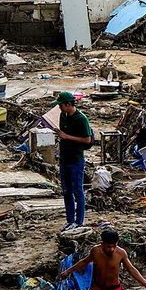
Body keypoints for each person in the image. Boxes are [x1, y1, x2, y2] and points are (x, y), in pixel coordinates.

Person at [52, 91, 95, 228]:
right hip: (64, 157)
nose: (60, 108)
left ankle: (79, 221)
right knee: (66, 190)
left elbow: (87, 139)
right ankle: (70, 220)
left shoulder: (81, 119)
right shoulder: (63, 116)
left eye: (61, 105)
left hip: (76, 158)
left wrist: (66, 137)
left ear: (69, 104)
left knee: (78, 190)